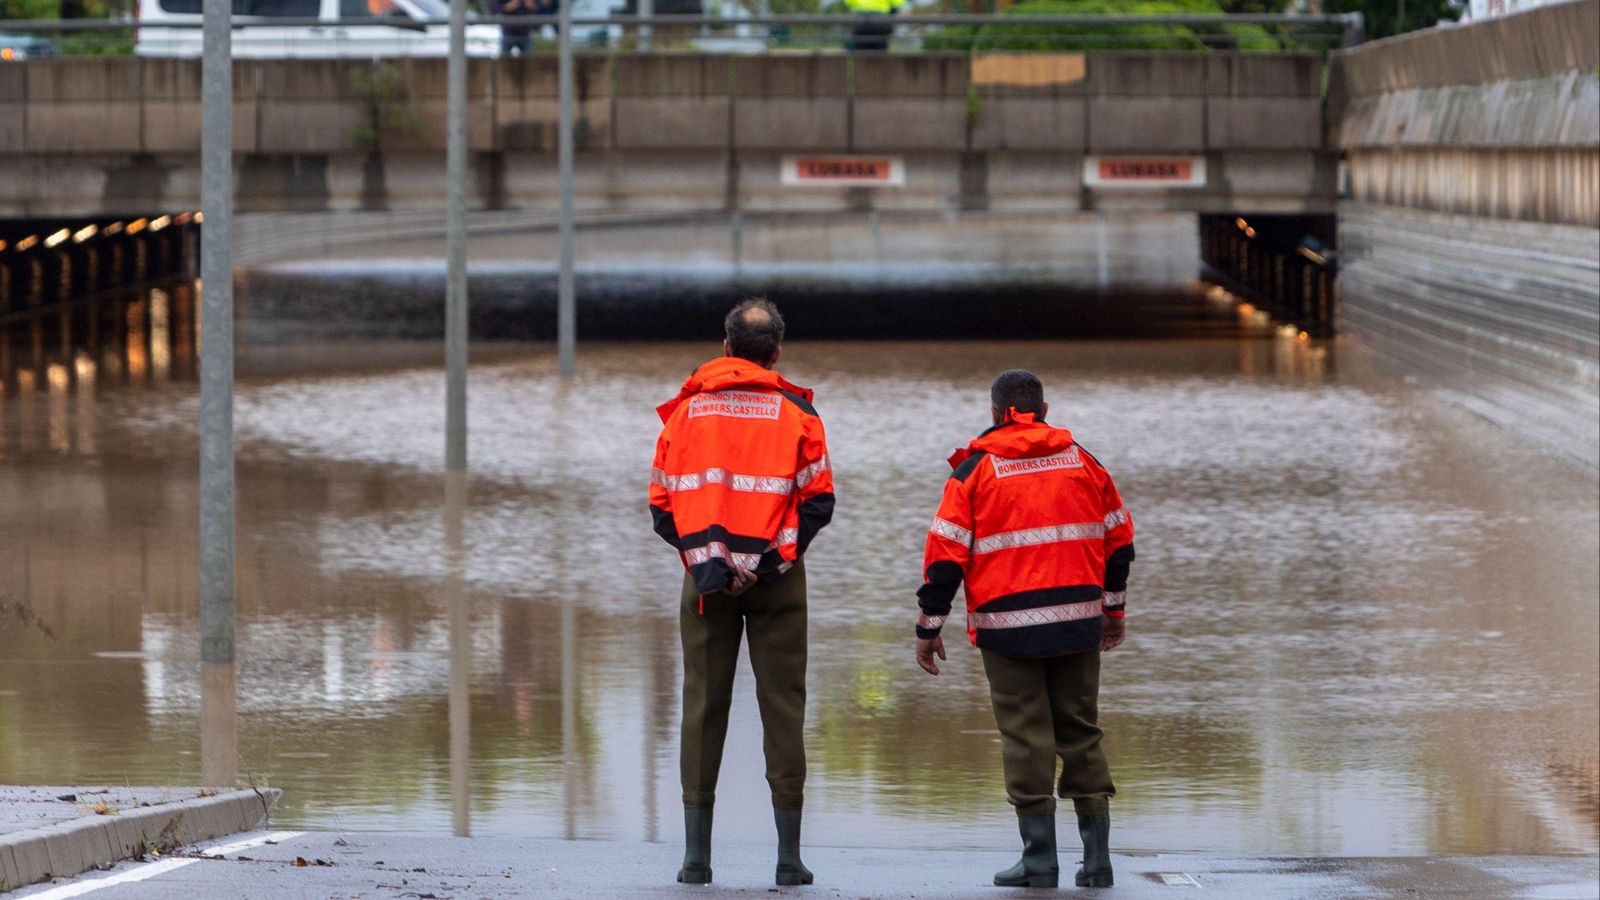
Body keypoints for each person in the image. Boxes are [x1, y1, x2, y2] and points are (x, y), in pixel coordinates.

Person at [912, 369, 1134, 889]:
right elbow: (1119, 543)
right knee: (1080, 729)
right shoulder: (1083, 462)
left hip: (1007, 630)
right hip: (1078, 623)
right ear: (1045, 408)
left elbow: (944, 558)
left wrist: (929, 626)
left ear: (995, 413)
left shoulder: (973, 472)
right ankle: (1097, 861)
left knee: (1026, 736)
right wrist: (1113, 612)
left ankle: (1039, 862)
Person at [649, 298, 835, 887]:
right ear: (775, 353)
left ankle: (696, 860)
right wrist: (769, 562)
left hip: (705, 584)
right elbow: (818, 502)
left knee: (703, 706)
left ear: (727, 348)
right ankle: (788, 859)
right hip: (778, 581)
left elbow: (662, 504)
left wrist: (713, 565)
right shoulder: (798, 413)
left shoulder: (686, 413)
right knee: (784, 706)